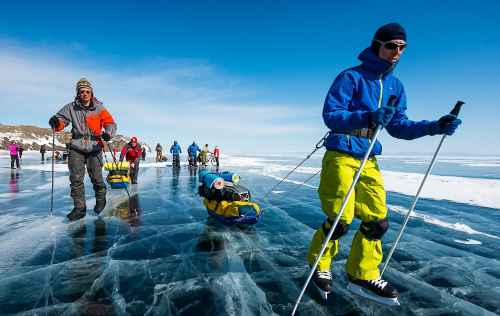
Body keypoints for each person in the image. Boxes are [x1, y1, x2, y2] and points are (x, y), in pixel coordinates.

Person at [306, 23, 462, 302]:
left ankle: (361, 273)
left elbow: (400, 126)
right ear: (377, 44)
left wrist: (435, 126)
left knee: (377, 222)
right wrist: (368, 116)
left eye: (402, 48)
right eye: (391, 46)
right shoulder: (351, 77)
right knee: (340, 219)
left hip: (368, 156)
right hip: (342, 151)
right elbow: (332, 115)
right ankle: (321, 263)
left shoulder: (395, 86)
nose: (397, 53)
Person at [49, 77, 117, 221]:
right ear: (77, 93)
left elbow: (110, 124)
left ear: (91, 93)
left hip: (95, 147)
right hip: (76, 147)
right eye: (81, 92)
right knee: (76, 179)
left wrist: (108, 133)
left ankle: (101, 198)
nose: (84, 94)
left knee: (97, 179)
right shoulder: (70, 107)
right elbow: (61, 121)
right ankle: (79, 208)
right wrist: (56, 123)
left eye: (87, 91)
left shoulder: (99, 108)